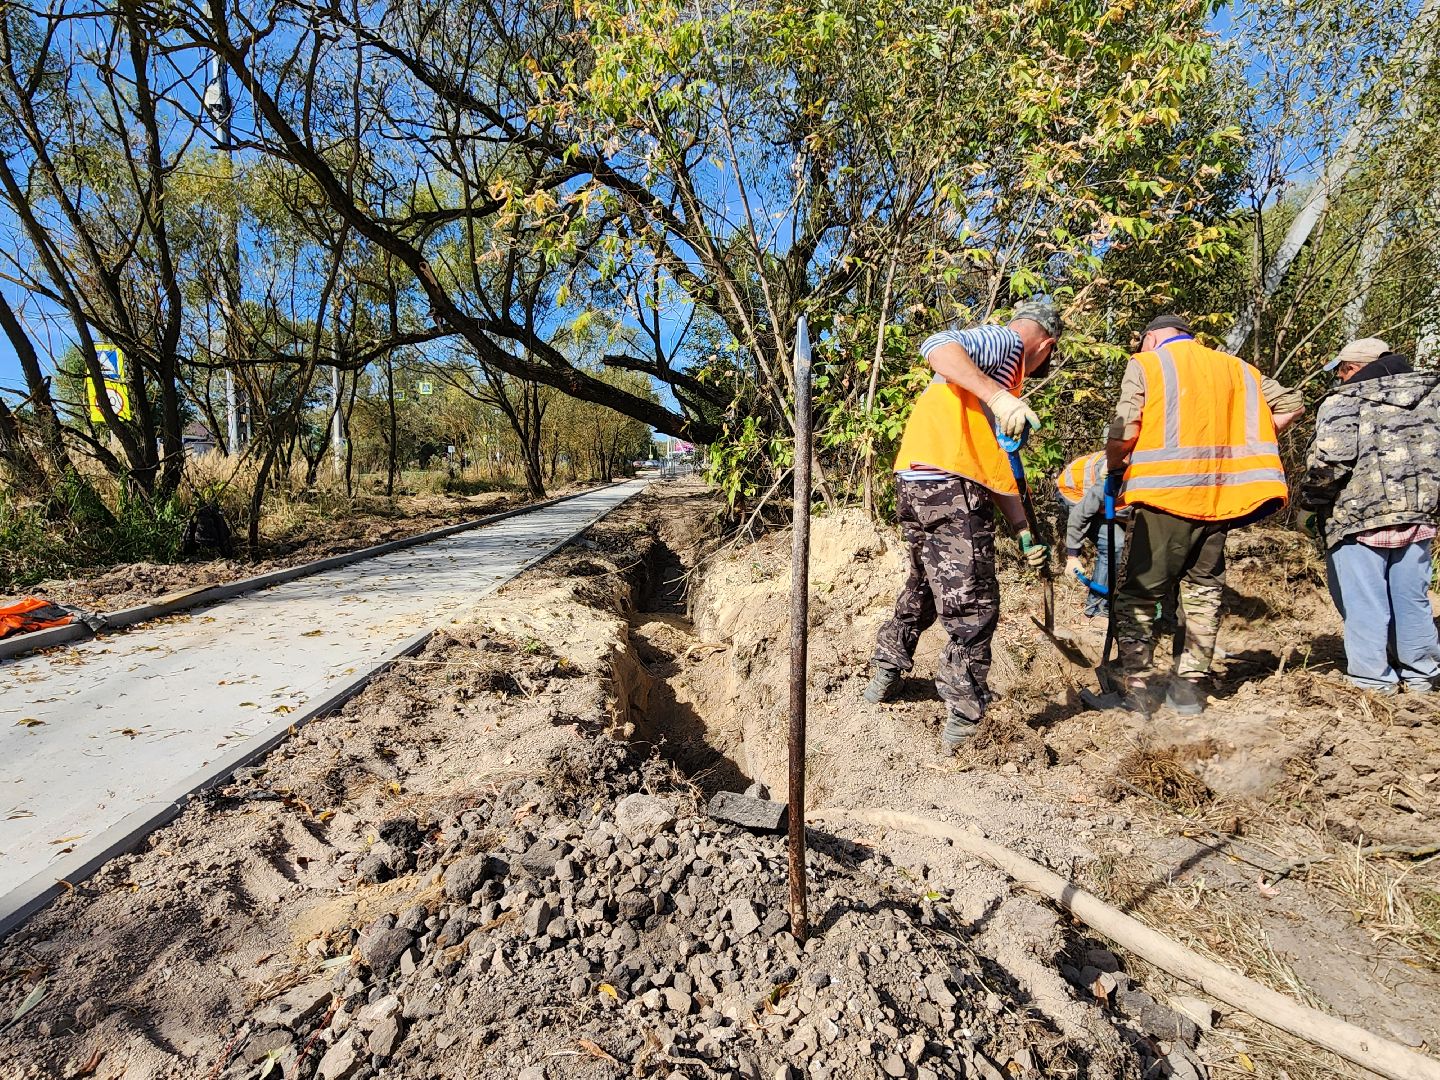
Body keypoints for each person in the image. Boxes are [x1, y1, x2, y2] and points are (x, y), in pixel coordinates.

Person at [864, 301, 1061, 754]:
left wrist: (1022, 530)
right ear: (1045, 346)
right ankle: (965, 719)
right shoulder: (1006, 346)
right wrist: (999, 395)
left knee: (925, 588)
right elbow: (936, 346)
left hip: (920, 482)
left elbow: (998, 467)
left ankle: (885, 673)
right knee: (974, 602)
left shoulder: (990, 389)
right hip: (949, 484)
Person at [1105, 314, 1304, 715]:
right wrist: (1243, 449)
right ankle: (1189, 689)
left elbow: (1124, 429)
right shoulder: (1238, 368)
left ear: (1155, 337)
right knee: (1202, 590)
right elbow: (1292, 404)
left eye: (1143, 341)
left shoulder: (1148, 363)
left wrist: (1114, 468)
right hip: (1218, 498)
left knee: (1141, 591)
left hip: (1165, 496)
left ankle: (1138, 688)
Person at [1299, 337, 1440, 695]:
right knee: (1413, 599)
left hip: (1357, 518)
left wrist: (1311, 503)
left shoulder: (1344, 401)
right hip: (1418, 515)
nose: (1341, 378)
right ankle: (1422, 675)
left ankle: (1374, 682)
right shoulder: (1433, 394)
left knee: (1365, 602)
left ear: (1355, 368)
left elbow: (1330, 463)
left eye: (1343, 371)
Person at [1056, 450, 1112, 618]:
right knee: (1113, 544)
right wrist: (1073, 557)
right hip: (1073, 489)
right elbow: (1079, 515)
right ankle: (1097, 609)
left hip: (1098, 495)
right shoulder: (1113, 473)